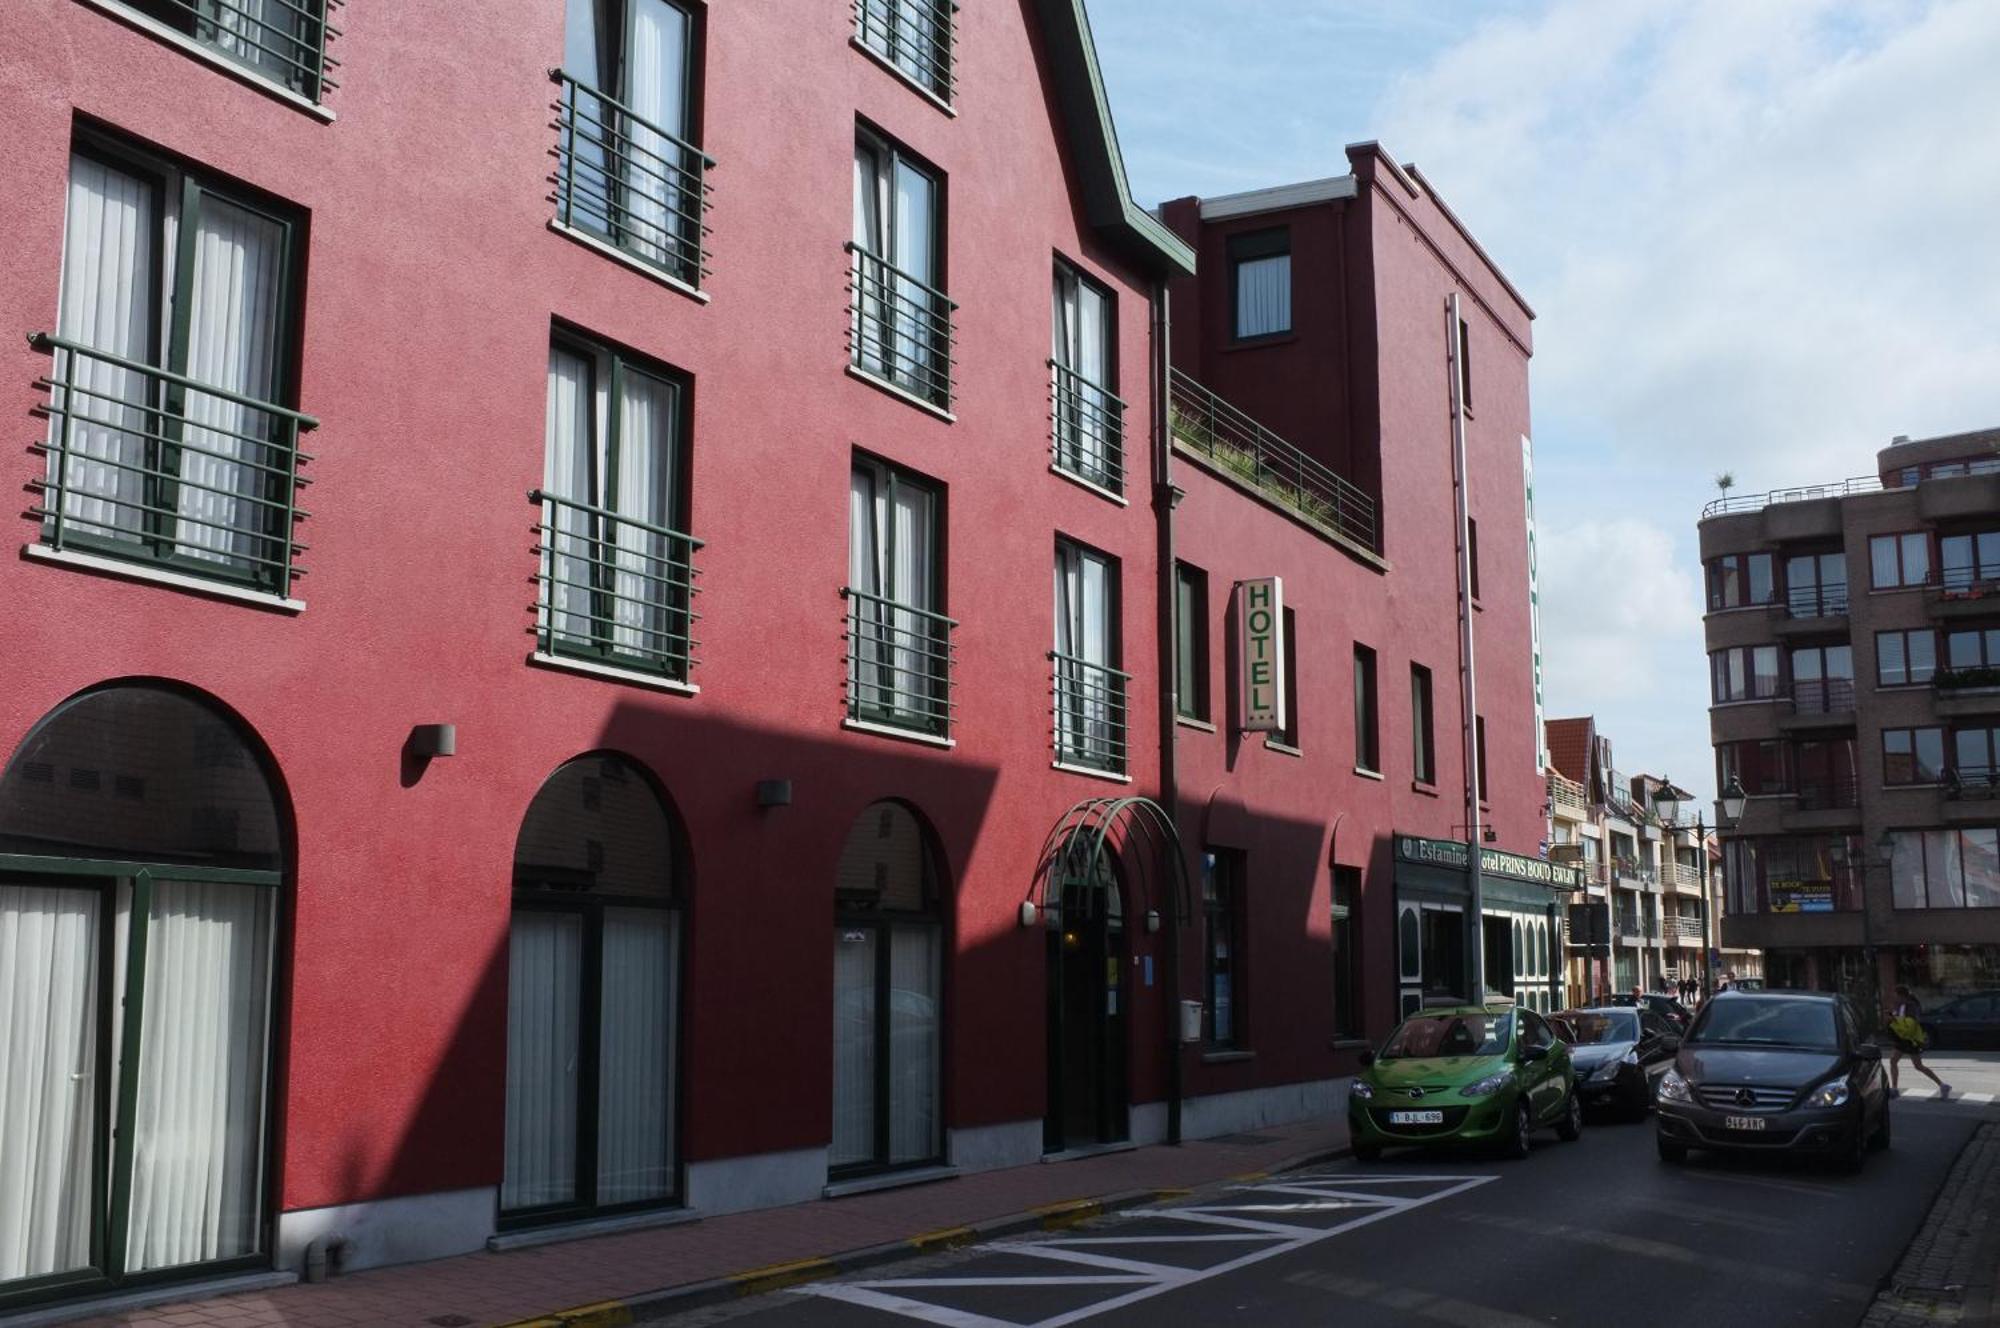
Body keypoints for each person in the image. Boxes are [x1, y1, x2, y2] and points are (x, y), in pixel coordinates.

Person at [1886, 985, 1951, 1100]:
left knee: (1918, 1066)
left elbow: (1911, 1022)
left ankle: (1943, 1085)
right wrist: (1892, 1016)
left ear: (1901, 995)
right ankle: (1895, 1088)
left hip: (1911, 1040)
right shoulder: (1900, 1005)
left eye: (1896, 994)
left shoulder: (1911, 1006)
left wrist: (1894, 1018)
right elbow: (1899, 1018)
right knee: (1893, 1061)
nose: (1894, 997)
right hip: (1903, 1038)